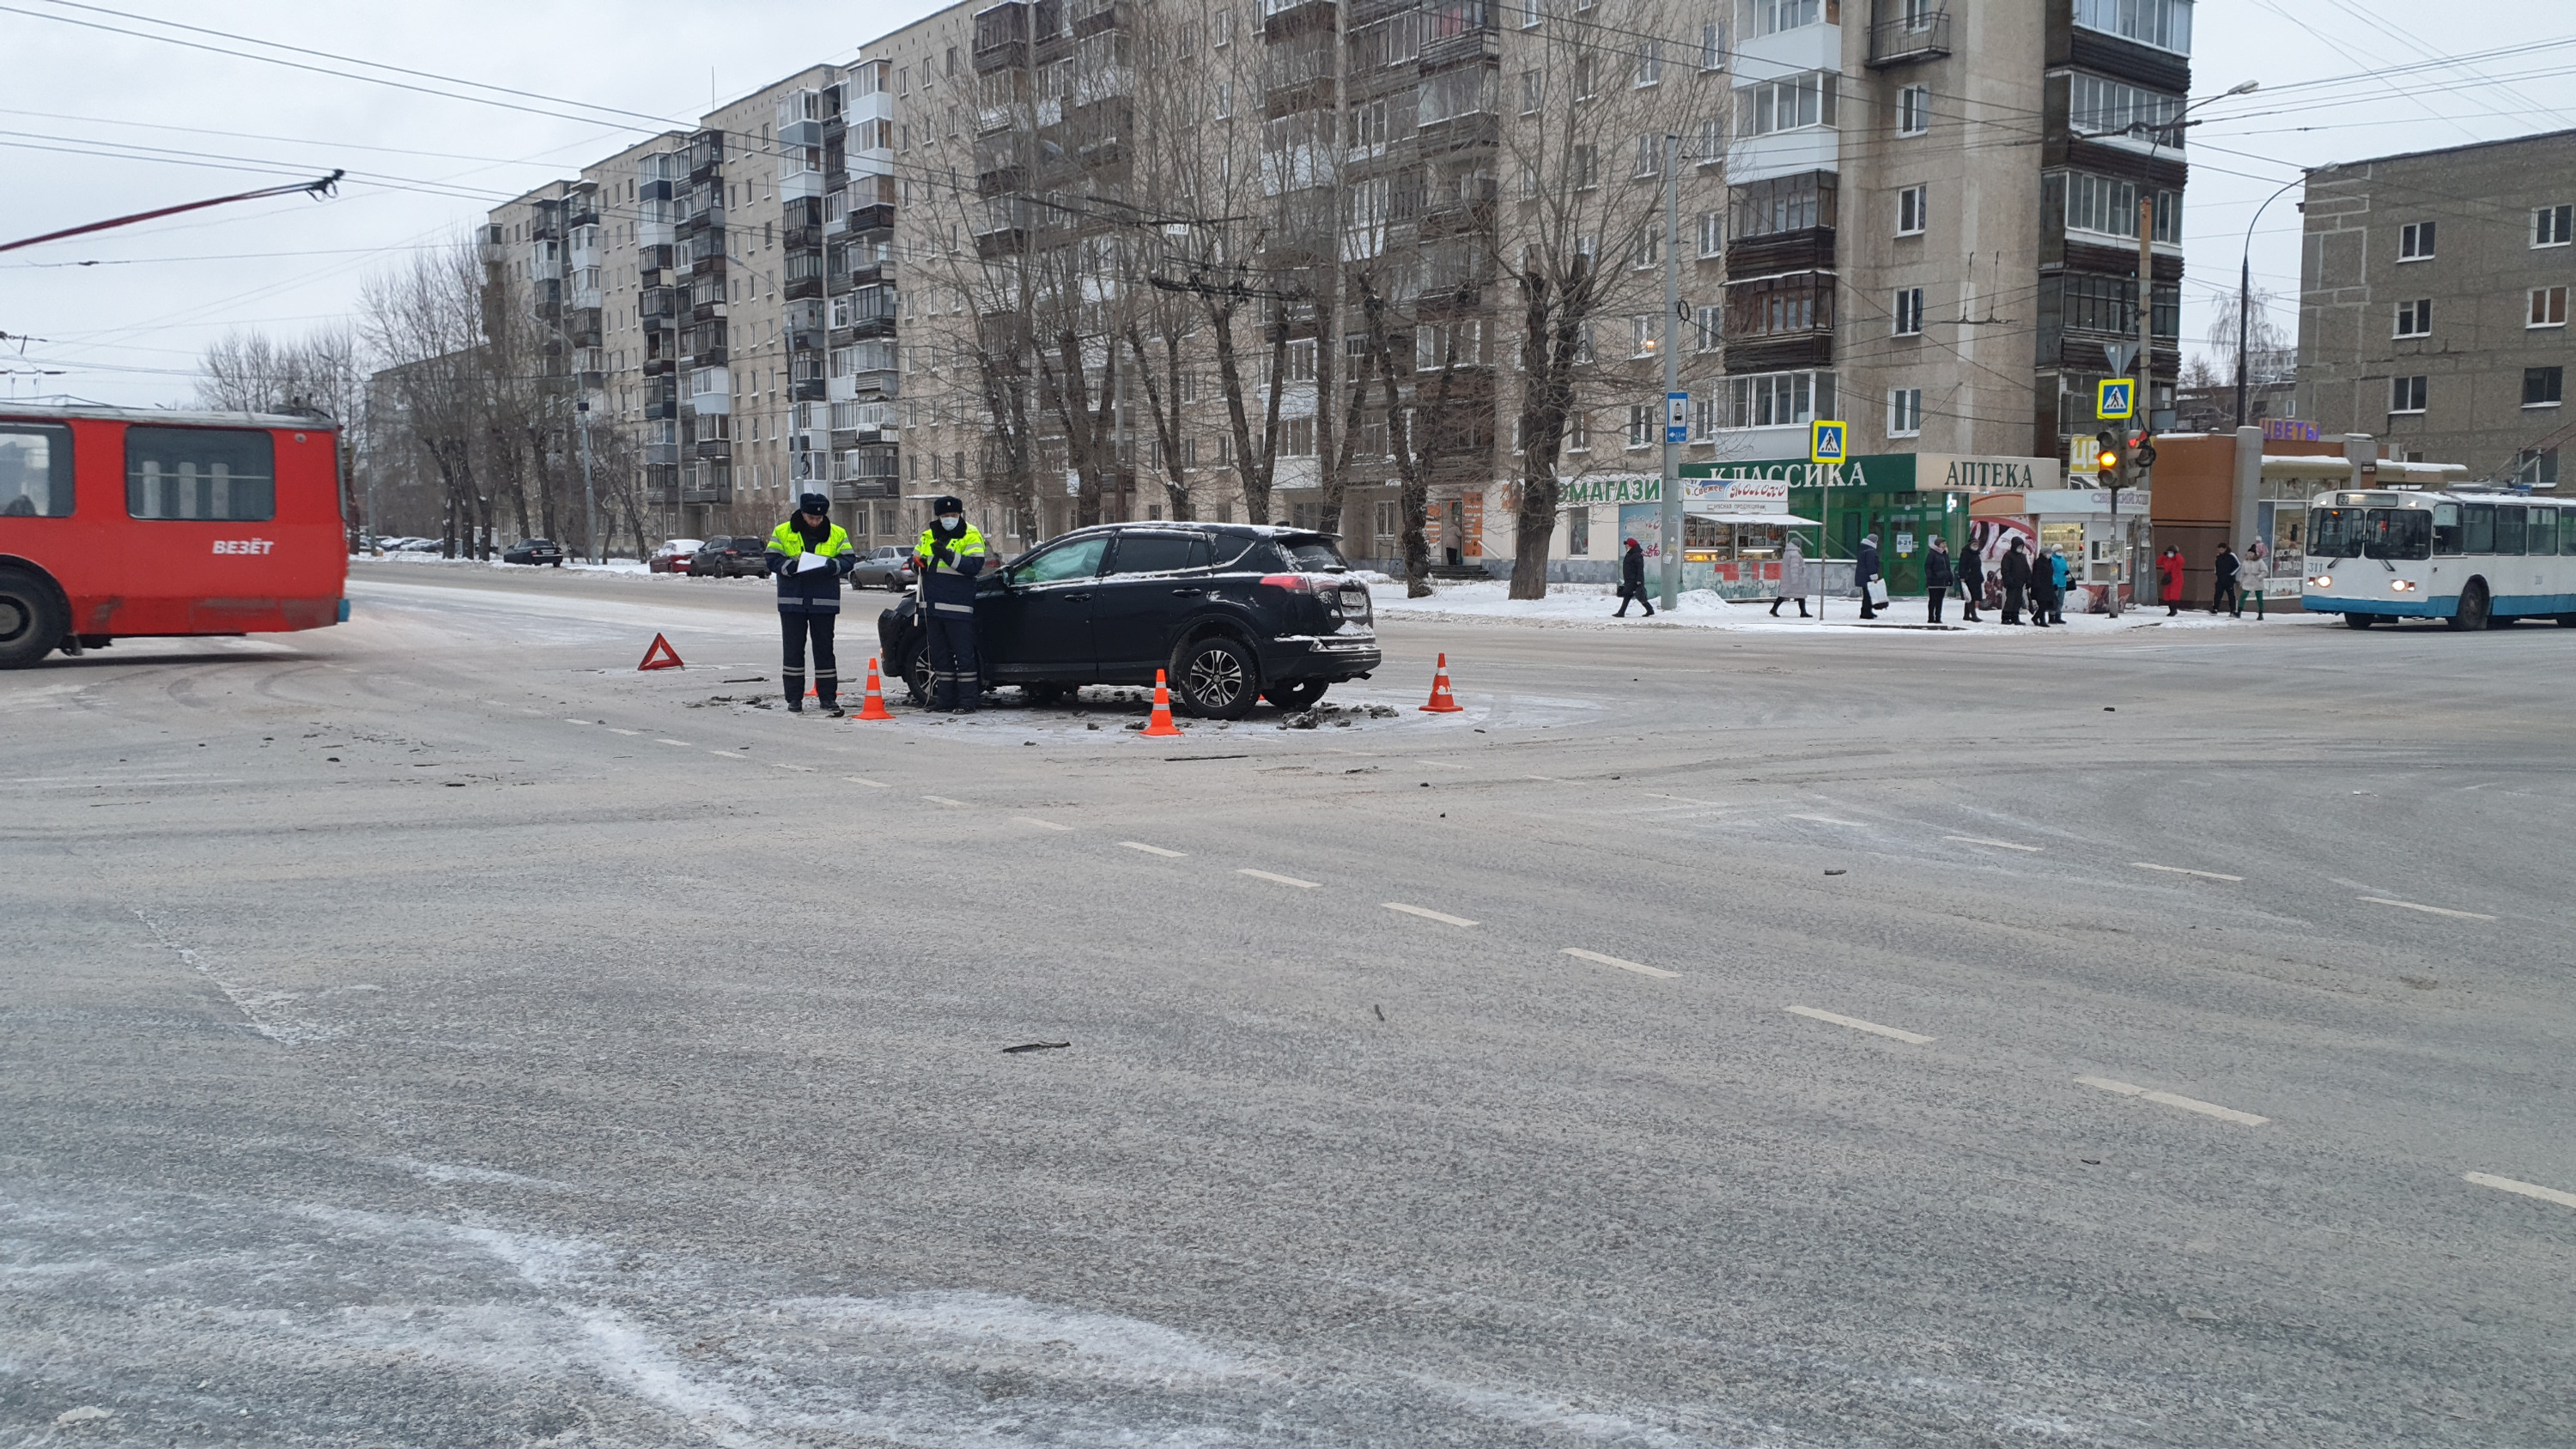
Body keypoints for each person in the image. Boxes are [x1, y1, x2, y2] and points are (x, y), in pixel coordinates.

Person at [765, 492, 858, 715]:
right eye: (810, 518)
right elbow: (771, 558)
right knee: (793, 651)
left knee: (825, 651)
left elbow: (849, 559)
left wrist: (830, 566)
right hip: (793, 599)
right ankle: (794, 699)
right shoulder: (783, 531)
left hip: (824, 601)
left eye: (818, 518)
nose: (815, 522)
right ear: (802, 514)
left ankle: (827, 698)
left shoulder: (837, 532)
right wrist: (791, 566)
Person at [911, 494, 988, 712]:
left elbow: (973, 566)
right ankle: (944, 700)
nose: (949, 519)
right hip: (932, 605)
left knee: (964, 656)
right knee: (939, 657)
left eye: (953, 515)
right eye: (945, 515)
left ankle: (967, 701)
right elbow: (915, 560)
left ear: (959, 515)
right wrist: (916, 563)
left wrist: (946, 554)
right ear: (939, 516)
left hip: (958, 606)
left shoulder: (970, 534)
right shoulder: (928, 535)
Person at [1768, 534, 1811, 617]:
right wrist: (1795, 579)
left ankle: (1774, 609)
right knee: (1798, 595)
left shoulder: (1788, 552)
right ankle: (1803, 612)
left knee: (1786, 595)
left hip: (1789, 578)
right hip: (1794, 579)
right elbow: (1794, 568)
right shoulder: (1794, 554)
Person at [1612, 537, 1656, 617]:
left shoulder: (1637, 555)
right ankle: (1650, 610)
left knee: (1632, 595)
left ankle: (1621, 612)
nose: (1626, 546)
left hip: (1634, 579)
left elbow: (1640, 569)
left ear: (1631, 545)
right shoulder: (1630, 553)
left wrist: (1639, 580)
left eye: (1627, 544)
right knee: (1631, 595)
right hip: (1630, 579)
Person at [2000, 536, 2031, 626]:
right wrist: (2009, 580)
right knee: (2010, 601)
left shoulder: (2022, 557)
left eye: (2022, 547)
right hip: (2011, 583)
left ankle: (2015, 618)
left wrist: (2029, 580)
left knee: (2018, 601)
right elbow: (2005, 570)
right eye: (2019, 547)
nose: (2020, 549)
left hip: (2020, 583)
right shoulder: (2008, 556)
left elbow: (2026, 569)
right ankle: (2005, 618)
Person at [1923, 536, 1954, 624]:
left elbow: (1948, 568)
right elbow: (1928, 566)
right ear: (1938, 545)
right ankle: (1931, 618)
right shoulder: (1932, 554)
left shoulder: (1945, 554)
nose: (1944, 545)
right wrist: (1930, 576)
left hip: (1943, 581)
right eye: (1942, 544)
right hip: (1934, 581)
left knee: (1940, 601)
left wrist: (1950, 578)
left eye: (1945, 543)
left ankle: (1938, 618)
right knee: (1933, 599)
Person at [1956, 535, 1984, 624]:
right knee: (1971, 597)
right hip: (1969, 578)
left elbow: (1978, 567)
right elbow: (1962, 565)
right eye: (1974, 544)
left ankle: (1966, 615)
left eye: (1976, 544)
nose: (1975, 546)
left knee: (1972, 597)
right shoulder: (1966, 553)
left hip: (1976, 578)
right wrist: (1962, 577)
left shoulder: (1977, 553)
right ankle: (1973, 615)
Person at [1855, 531, 1882, 620]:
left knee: (1867, 595)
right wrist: (1874, 576)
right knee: (1868, 595)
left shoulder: (1864, 549)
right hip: (1867, 577)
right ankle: (1866, 613)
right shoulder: (1870, 551)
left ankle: (1866, 611)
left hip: (1863, 576)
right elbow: (1871, 564)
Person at [2212, 539, 2242, 615]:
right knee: (2218, 594)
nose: (2220, 551)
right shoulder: (2218, 557)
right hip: (2220, 579)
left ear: (2225, 549)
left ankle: (2232, 610)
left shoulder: (2231, 556)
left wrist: (2231, 574)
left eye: (2221, 549)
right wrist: (2217, 573)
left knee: (2231, 595)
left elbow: (2238, 565)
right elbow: (2216, 566)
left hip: (2229, 580)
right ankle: (2215, 608)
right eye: (2219, 549)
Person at [2158, 544, 2186, 617]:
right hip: (2168, 578)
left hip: (2177, 579)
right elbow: (2158, 562)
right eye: (2168, 552)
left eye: (2171, 552)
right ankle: (2171, 610)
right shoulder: (2166, 559)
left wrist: (2177, 554)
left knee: (2174, 595)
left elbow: (2181, 561)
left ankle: (2174, 610)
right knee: (2167, 595)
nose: (2169, 553)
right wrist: (2163, 555)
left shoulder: (2177, 560)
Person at [2047, 545, 2071, 624]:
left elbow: (2064, 568)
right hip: (2056, 583)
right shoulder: (2052, 560)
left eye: (2061, 550)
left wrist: (2067, 571)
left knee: (2060, 601)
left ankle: (2058, 616)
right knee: (2054, 601)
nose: (2061, 552)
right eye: (2059, 550)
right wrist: (2054, 582)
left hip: (2063, 582)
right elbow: (2051, 572)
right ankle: (2051, 616)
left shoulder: (2062, 559)